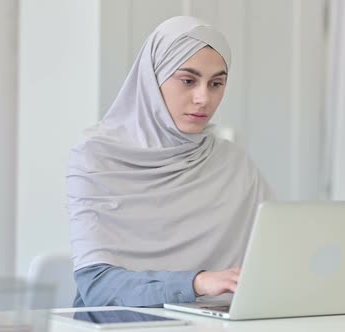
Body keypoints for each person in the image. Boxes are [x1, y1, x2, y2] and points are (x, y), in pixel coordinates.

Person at [66, 16, 273, 307]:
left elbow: (275, 260)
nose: (203, 98)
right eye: (188, 80)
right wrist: (197, 282)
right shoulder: (97, 155)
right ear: (153, 79)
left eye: (216, 83)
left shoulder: (234, 163)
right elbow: (98, 287)